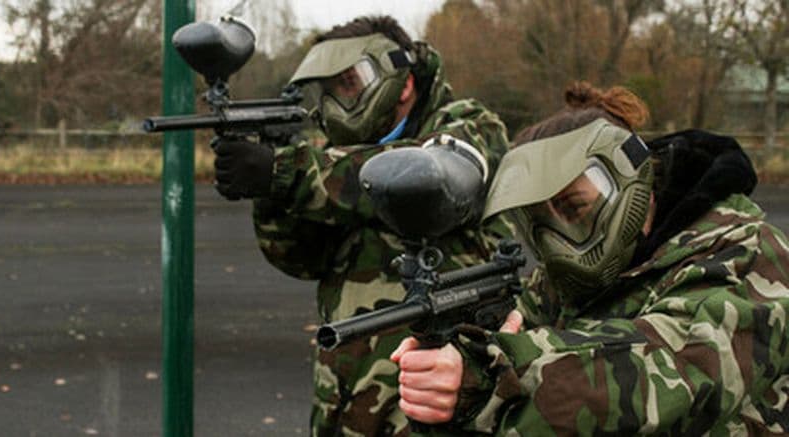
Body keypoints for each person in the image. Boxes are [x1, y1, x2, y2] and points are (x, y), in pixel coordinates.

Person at [391, 82, 789, 435]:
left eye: (574, 209)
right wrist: (445, 369)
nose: (559, 239)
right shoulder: (560, 282)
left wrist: (486, 374)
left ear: (633, 184)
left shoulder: (750, 252)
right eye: (540, 222)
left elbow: (674, 367)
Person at [210, 16, 513, 436]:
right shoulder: (335, 155)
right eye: (330, 89)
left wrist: (285, 172)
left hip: (439, 403)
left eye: (350, 84)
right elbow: (300, 259)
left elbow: (419, 176)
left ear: (402, 82)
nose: (337, 101)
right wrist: (270, 194)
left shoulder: (470, 126)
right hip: (344, 398)